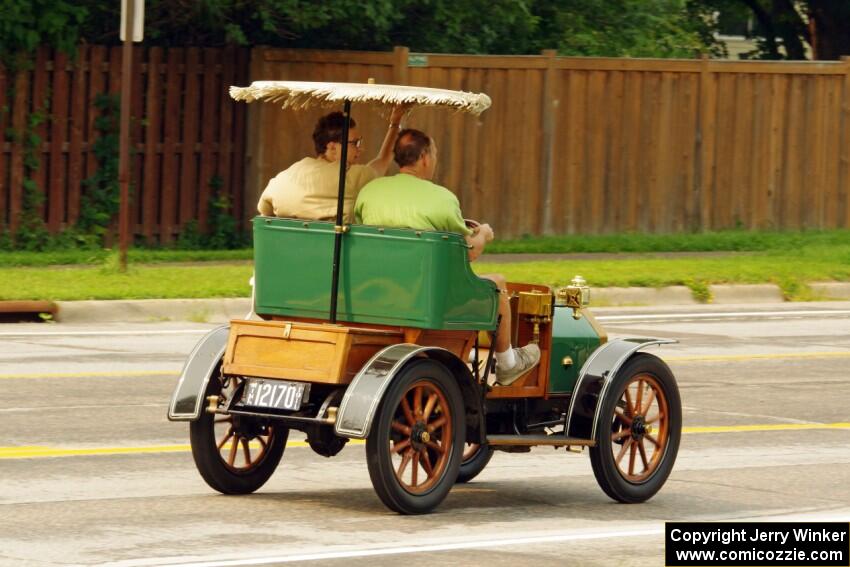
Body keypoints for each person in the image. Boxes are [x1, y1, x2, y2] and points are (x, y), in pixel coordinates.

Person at [354, 129, 540, 386]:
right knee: (496, 284)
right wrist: (483, 234)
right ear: (425, 158)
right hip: (424, 296)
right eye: (435, 153)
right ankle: (507, 363)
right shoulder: (442, 199)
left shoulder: (369, 192)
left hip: (376, 290)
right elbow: (467, 252)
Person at [257, 106, 407, 223]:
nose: (361, 148)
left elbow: (264, 209)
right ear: (332, 148)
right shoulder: (354, 177)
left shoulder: (286, 176)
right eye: (355, 143)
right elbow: (383, 161)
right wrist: (395, 123)